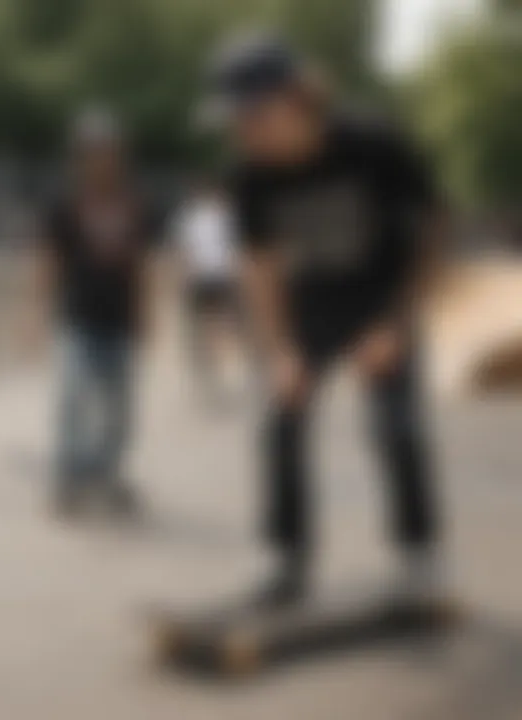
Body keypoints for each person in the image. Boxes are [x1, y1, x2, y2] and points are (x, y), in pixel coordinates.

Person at [207, 35, 447, 607]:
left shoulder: (373, 144)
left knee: (395, 427)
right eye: (237, 121)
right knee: (282, 421)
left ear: (297, 99)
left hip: (385, 299)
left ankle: (418, 554)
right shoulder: (249, 177)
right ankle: (287, 561)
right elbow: (259, 271)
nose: (245, 132)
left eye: (255, 116)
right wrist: (280, 351)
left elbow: (435, 233)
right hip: (312, 305)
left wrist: (397, 323)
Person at [38, 107, 161, 517]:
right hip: (79, 317)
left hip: (121, 319)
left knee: (119, 407)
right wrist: (38, 312)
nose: (101, 160)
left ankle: (107, 474)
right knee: (73, 399)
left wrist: (146, 314)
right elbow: (49, 261)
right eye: (92, 152)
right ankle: (70, 478)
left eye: (108, 152)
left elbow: (143, 264)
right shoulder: (65, 205)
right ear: (80, 158)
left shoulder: (136, 205)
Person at [173, 176, 240, 406]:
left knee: (214, 326)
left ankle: (212, 359)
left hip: (217, 276)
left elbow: (233, 247)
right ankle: (209, 362)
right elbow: (184, 250)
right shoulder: (193, 218)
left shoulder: (222, 217)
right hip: (205, 276)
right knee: (208, 327)